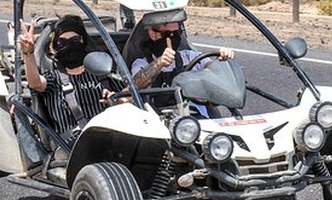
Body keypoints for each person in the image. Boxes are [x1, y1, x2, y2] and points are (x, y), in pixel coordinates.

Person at [16, 14, 119, 142]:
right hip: (71, 147)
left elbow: (129, 90)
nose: (70, 45)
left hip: (110, 139)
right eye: (62, 41)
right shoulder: (54, 77)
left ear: (83, 41)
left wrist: (119, 99)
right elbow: (35, 83)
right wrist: (28, 53)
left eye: (75, 40)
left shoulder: (103, 70)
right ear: (55, 46)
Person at [130, 19, 235, 89]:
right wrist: (159, 64)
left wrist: (222, 59)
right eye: (166, 34)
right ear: (152, 34)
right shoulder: (141, 64)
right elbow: (136, 84)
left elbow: (212, 67)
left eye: (176, 33)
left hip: (197, 116)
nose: (172, 38)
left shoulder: (190, 57)